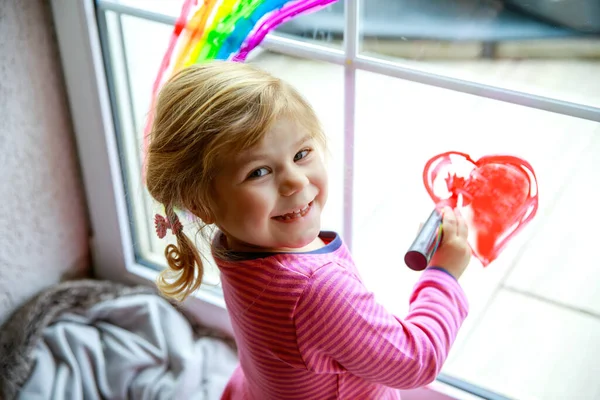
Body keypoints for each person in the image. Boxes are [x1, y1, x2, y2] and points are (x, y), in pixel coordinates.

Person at [145, 60, 471, 400]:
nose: (295, 181)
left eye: (301, 153)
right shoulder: (316, 289)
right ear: (202, 205)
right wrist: (443, 274)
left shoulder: (234, 239)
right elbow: (416, 361)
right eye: (258, 172)